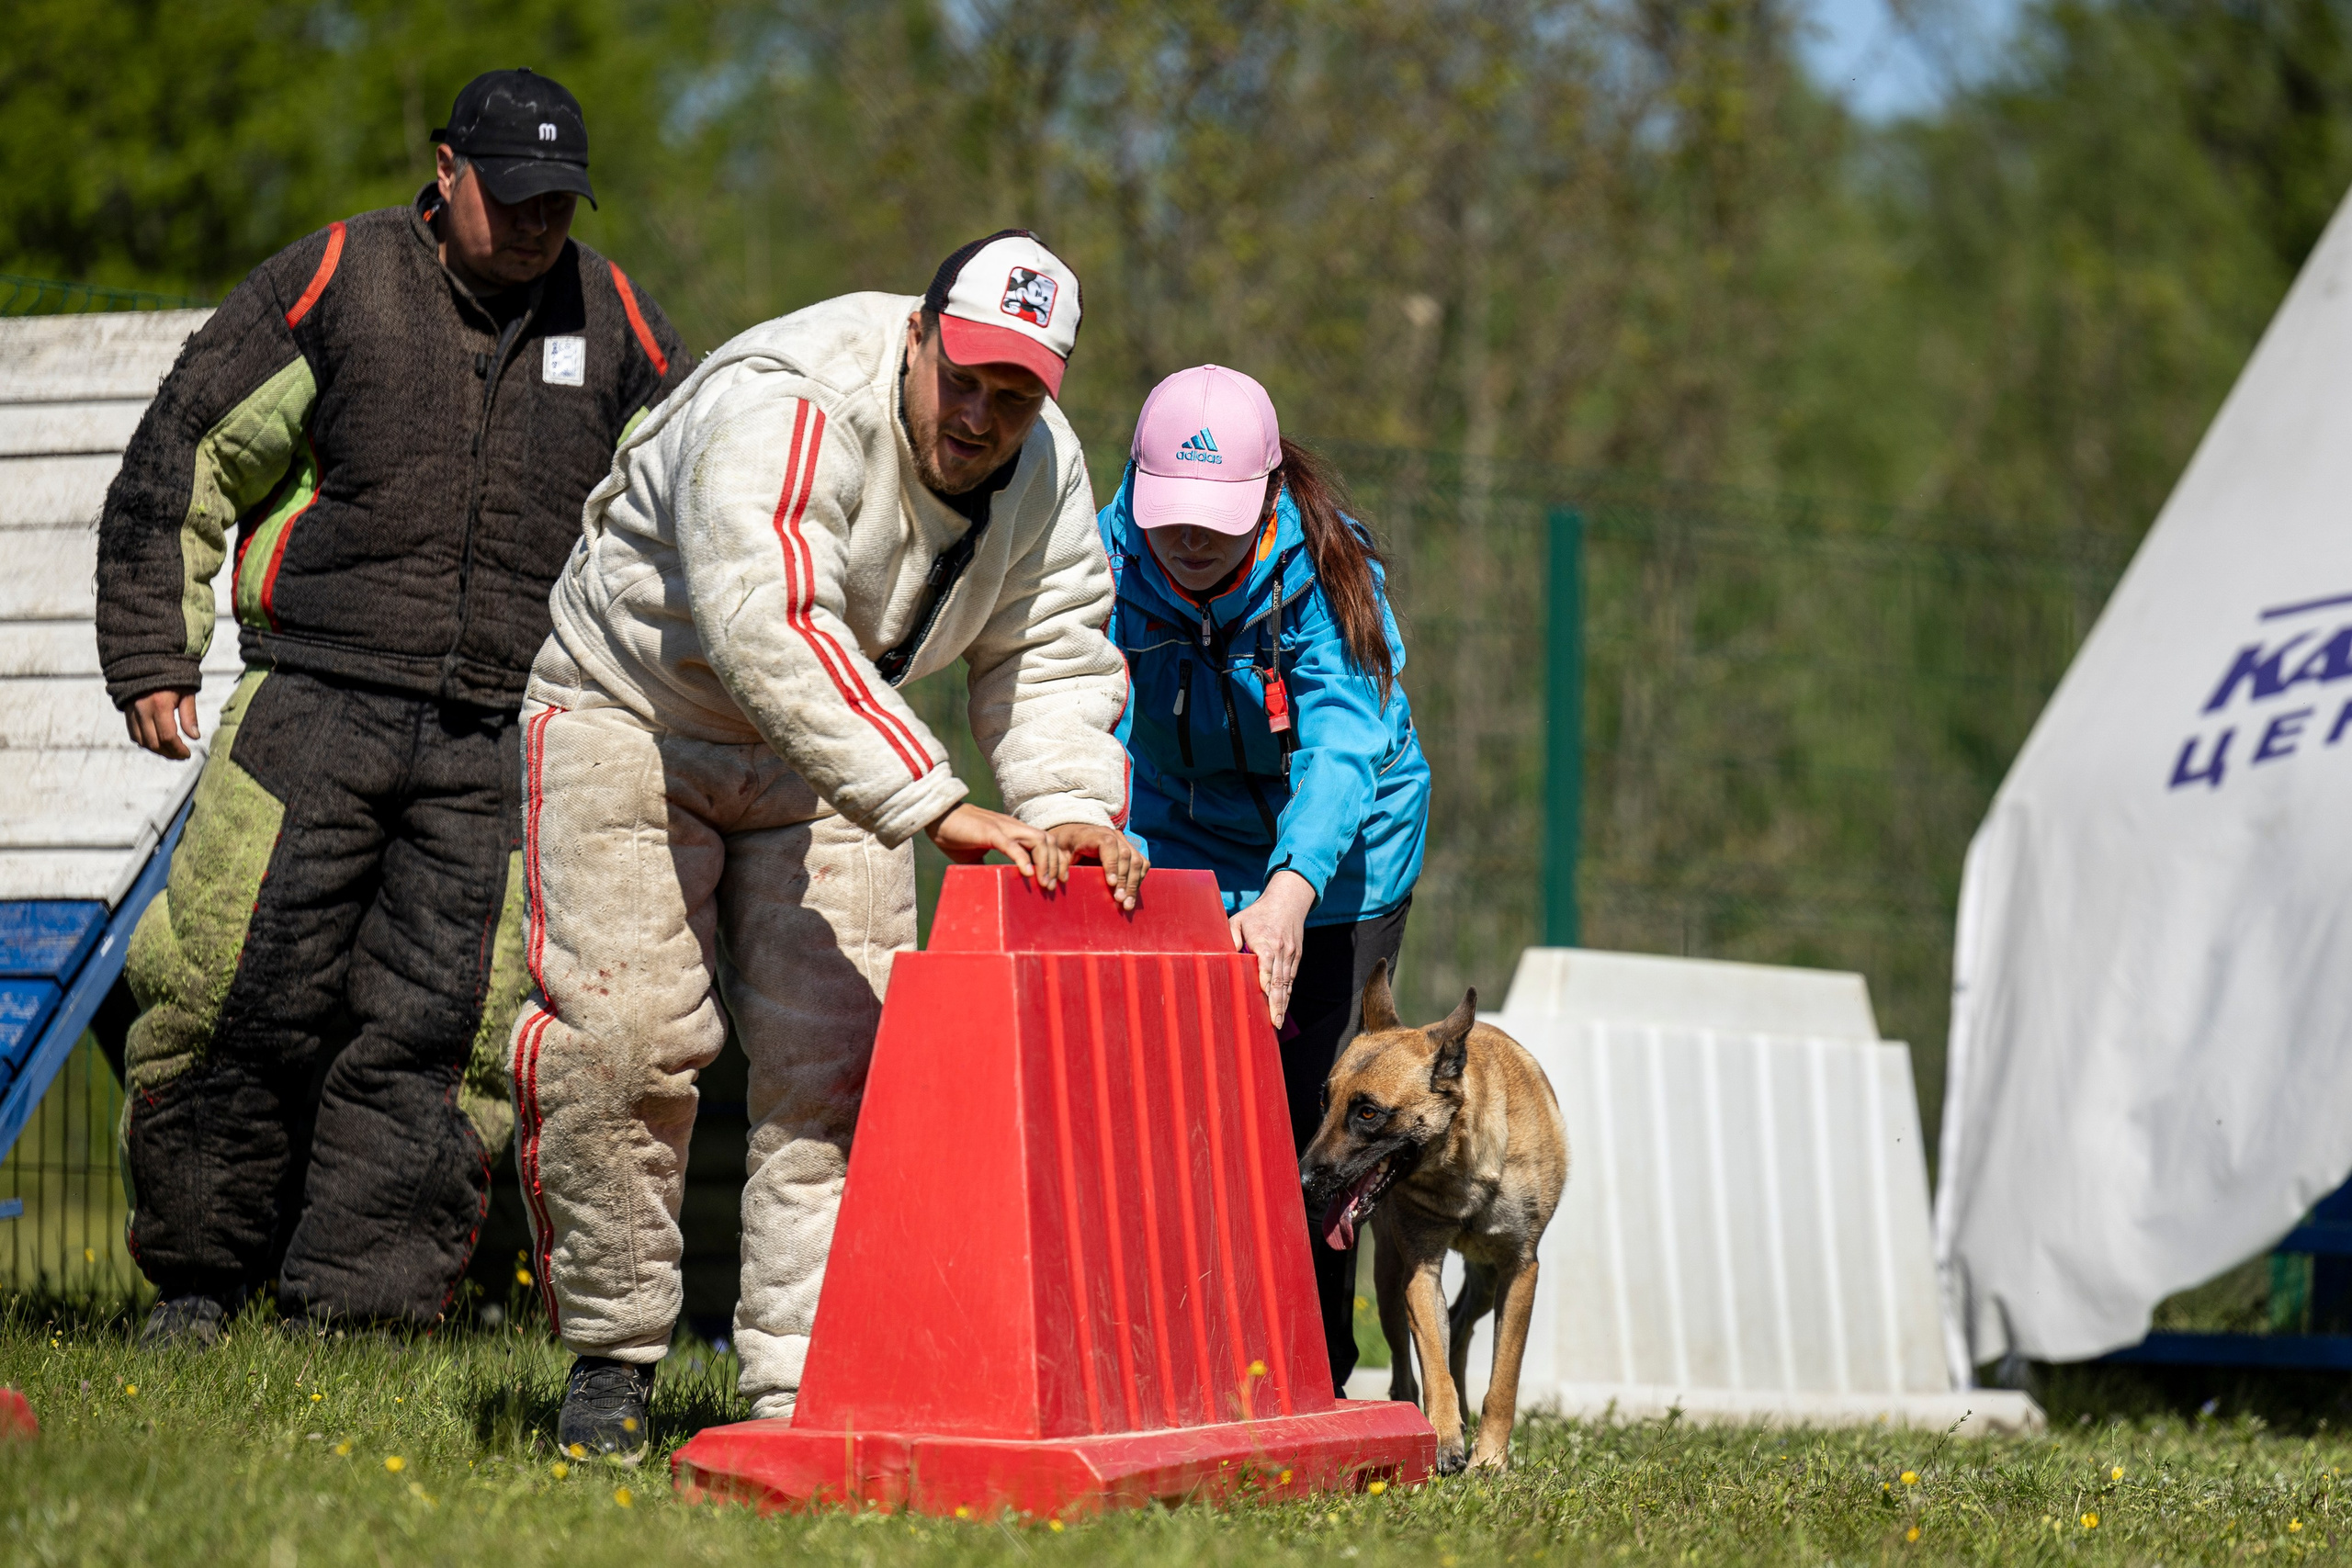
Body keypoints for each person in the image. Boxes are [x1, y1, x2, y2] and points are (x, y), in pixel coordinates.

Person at [514, 230, 1142, 1458]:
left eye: (1013, 395)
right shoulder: (788, 396)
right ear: (917, 332)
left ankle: (804, 1393)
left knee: (849, 1071)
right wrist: (937, 802)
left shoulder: (1047, 470)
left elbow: (1056, 639)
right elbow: (770, 618)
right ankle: (613, 1364)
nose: (979, 414)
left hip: (839, 741)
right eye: (962, 375)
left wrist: (1070, 805)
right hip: (633, 707)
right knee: (627, 1039)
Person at [95, 68, 692, 1347]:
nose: (540, 224)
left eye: (560, 203)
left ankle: (356, 1318)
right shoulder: (336, 280)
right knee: (228, 990)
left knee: (438, 1042)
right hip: (312, 701)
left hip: (506, 733)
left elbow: (692, 515)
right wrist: (155, 645)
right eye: (515, 196)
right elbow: (185, 448)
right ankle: (196, 1281)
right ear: (445, 170)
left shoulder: (620, 321)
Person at [1096, 364, 1430, 1396]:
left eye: (1214, 522)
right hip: (1182, 835)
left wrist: (1289, 892)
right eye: (1171, 519)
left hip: (1339, 865)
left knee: (1311, 1121)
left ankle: (1311, 1368)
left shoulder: (1327, 574)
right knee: (1172, 1102)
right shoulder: (1099, 556)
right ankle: (1167, 1347)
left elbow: (1342, 748)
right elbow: (1065, 694)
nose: (1188, 544)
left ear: (1269, 493)